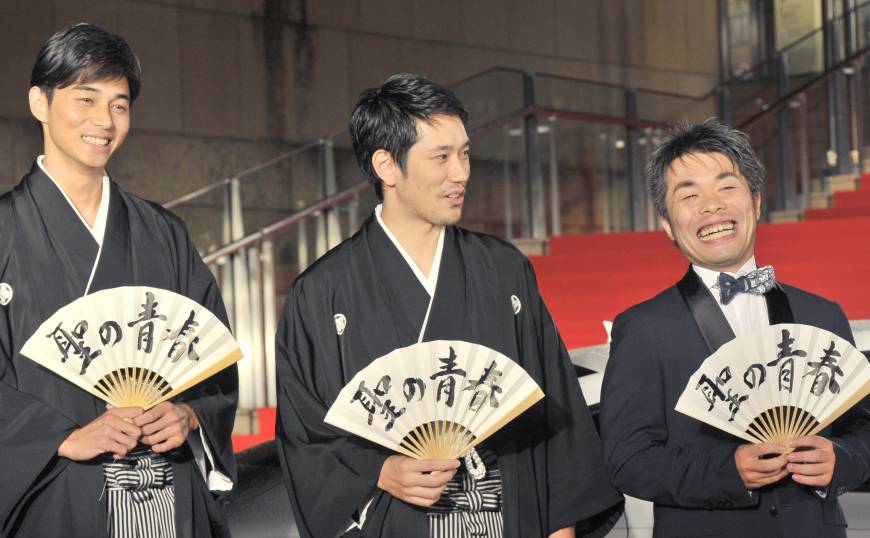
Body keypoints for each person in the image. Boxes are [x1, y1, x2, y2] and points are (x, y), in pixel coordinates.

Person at [274, 73, 622, 538]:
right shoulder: (322, 293)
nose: (461, 173)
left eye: (464, 153)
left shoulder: (503, 270)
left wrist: (561, 529)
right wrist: (378, 471)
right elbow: (305, 437)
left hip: (507, 515)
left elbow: (556, 410)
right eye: (440, 157)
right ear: (387, 166)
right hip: (399, 520)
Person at [0, 23, 238, 537]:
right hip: (54, 496)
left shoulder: (164, 232)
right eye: (85, 99)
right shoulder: (3, 232)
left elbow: (213, 358)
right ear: (39, 103)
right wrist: (58, 437)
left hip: (167, 493)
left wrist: (189, 416)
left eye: (119, 105)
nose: (103, 122)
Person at [599, 119, 870, 537]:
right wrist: (729, 471)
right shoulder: (643, 328)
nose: (712, 206)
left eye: (726, 187)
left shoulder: (823, 315)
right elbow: (627, 460)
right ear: (668, 224)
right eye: (689, 194)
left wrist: (843, 459)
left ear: (756, 202)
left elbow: (863, 428)